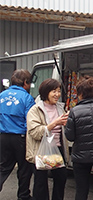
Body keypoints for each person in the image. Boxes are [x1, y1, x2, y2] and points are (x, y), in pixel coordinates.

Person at [26, 78, 69, 200]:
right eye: (53, 91)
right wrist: (54, 123)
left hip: (58, 149)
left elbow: (64, 130)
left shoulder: (60, 108)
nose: (57, 95)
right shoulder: (35, 110)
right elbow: (35, 132)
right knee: (40, 183)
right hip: (41, 151)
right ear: (45, 93)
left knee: (61, 178)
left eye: (59, 91)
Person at [0, 69, 35, 200]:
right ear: (25, 82)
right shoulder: (26, 97)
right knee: (25, 168)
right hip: (20, 137)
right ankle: (23, 195)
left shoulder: (2, 95)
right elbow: (30, 120)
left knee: (4, 167)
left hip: (3, 136)